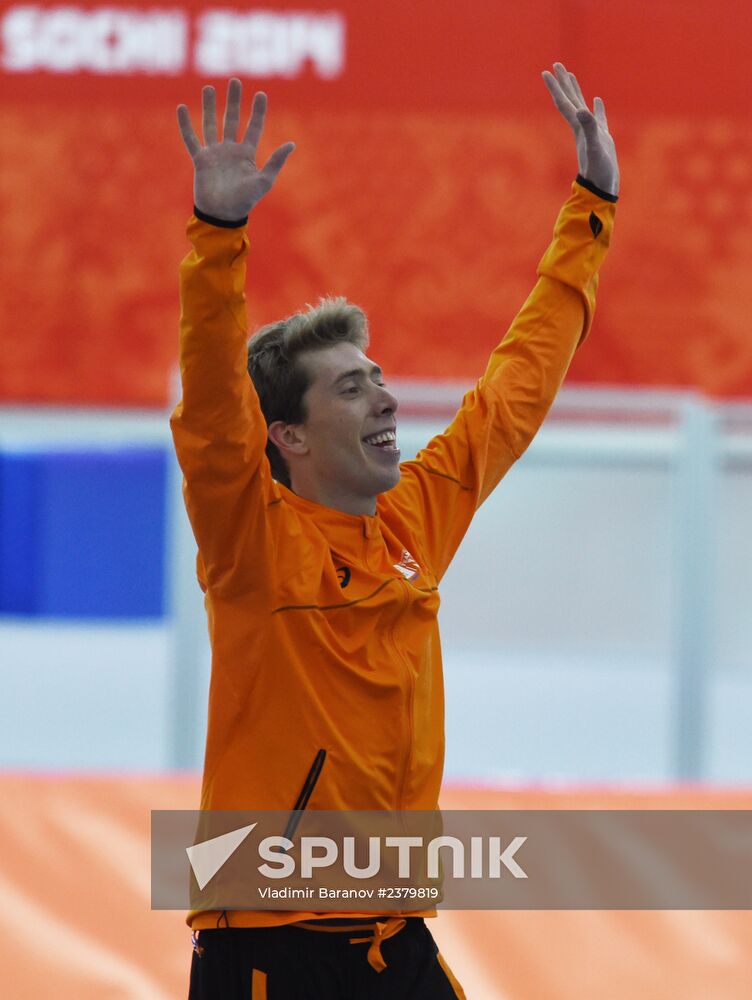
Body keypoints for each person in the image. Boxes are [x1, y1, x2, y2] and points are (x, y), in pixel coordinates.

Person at [172, 62, 619, 1000]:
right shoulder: (251, 541)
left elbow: (516, 390)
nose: (384, 396)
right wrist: (218, 238)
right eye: (351, 386)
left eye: (378, 376)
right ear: (287, 435)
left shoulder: (414, 518)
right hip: (271, 955)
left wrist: (593, 210)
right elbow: (215, 416)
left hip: (395, 944)